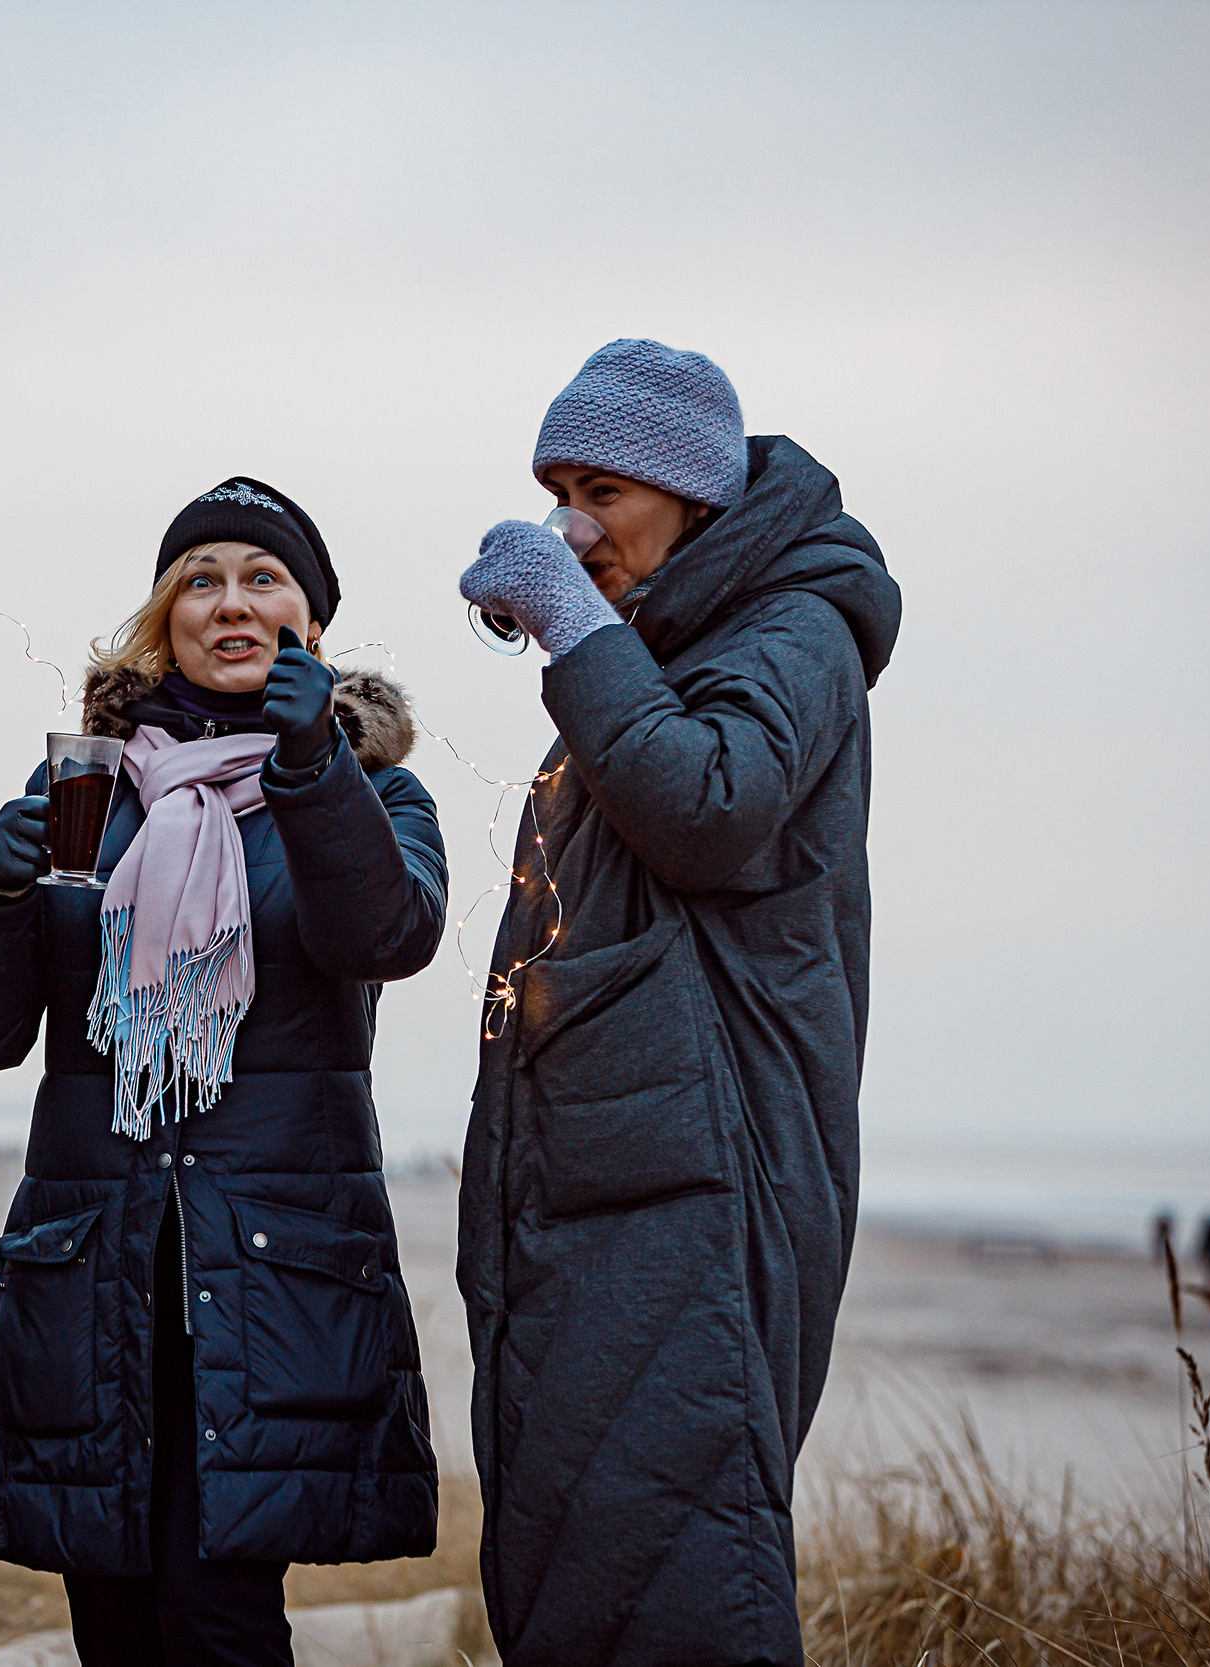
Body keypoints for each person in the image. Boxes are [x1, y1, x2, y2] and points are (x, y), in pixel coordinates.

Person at [0, 477, 447, 1666]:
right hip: (94, 1267)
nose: (231, 603)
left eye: (264, 580)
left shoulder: (374, 791)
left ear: (311, 621)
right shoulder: (86, 790)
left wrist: (313, 764)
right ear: (165, 616)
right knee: (112, 1616)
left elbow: (387, 937)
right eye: (201, 579)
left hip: (266, 1273)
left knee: (216, 1619)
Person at [455, 340, 903, 1666]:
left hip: (709, 1170)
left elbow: (706, 806)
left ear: (692, 495)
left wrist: (577, 627)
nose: (574, 525)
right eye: (556, 493)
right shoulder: (669, 640)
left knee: (682, 1558)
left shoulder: (796, 628)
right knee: (594, 1558)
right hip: (623, 1173)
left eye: (604, 492)